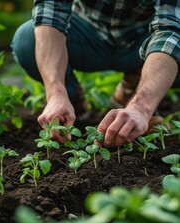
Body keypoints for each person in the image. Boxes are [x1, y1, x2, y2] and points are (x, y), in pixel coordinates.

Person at [11, 0, 180, 147]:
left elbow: (170, 31)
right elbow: (50, 13)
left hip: (144, 40)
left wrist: (141, 108)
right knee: (27, 41)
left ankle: (133, 89)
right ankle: (70, 103)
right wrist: (56, 93)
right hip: (87, 34)